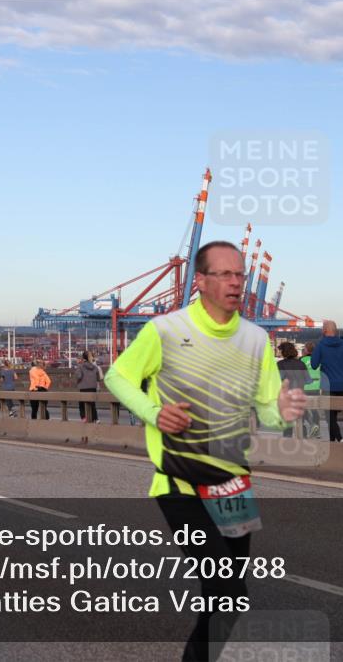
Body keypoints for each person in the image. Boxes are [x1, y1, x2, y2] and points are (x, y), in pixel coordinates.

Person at [104, 240, 306, 662]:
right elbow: (117, 377)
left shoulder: (255, 339)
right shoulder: (164, 330)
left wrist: (284, 413)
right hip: (180, 485)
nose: (236, 283)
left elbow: (268, 412)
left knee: (232, 597)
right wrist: (154, 412)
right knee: (224, 585)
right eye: (226, 274)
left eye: (240, 275)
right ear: (200, 281)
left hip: (234, 486)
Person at [310, 320, 343, 443]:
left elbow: (314, 365)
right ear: (336, 331)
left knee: (330, 416)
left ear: (324, 331)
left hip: (328, 386)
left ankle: (336, 439)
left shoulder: (320, 345)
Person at [276, 342, 310, 438]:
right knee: (301, 421)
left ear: (284, 351)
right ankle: (303, 441)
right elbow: (308, 380)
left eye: (281, 350)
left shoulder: (280, 364)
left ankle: (288, 444)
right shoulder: (301, 364)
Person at [299, 342, 322, 438]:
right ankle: (317, 431)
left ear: (307, 350)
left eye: (304, 349)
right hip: (316, 386)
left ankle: (305, 429)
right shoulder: (318, 360)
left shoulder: (302, 360)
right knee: (314, 409)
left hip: (305, 386)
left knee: (302, 408)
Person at [75, 351, 101, 423]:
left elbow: (79, 376)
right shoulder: (95, 367)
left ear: (83, 358)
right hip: (93, 388)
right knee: (92, 404)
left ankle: (83, 417)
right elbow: (98, 378)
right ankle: (95, 418)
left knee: (81, 404)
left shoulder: (80, 366)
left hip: (83, 388)